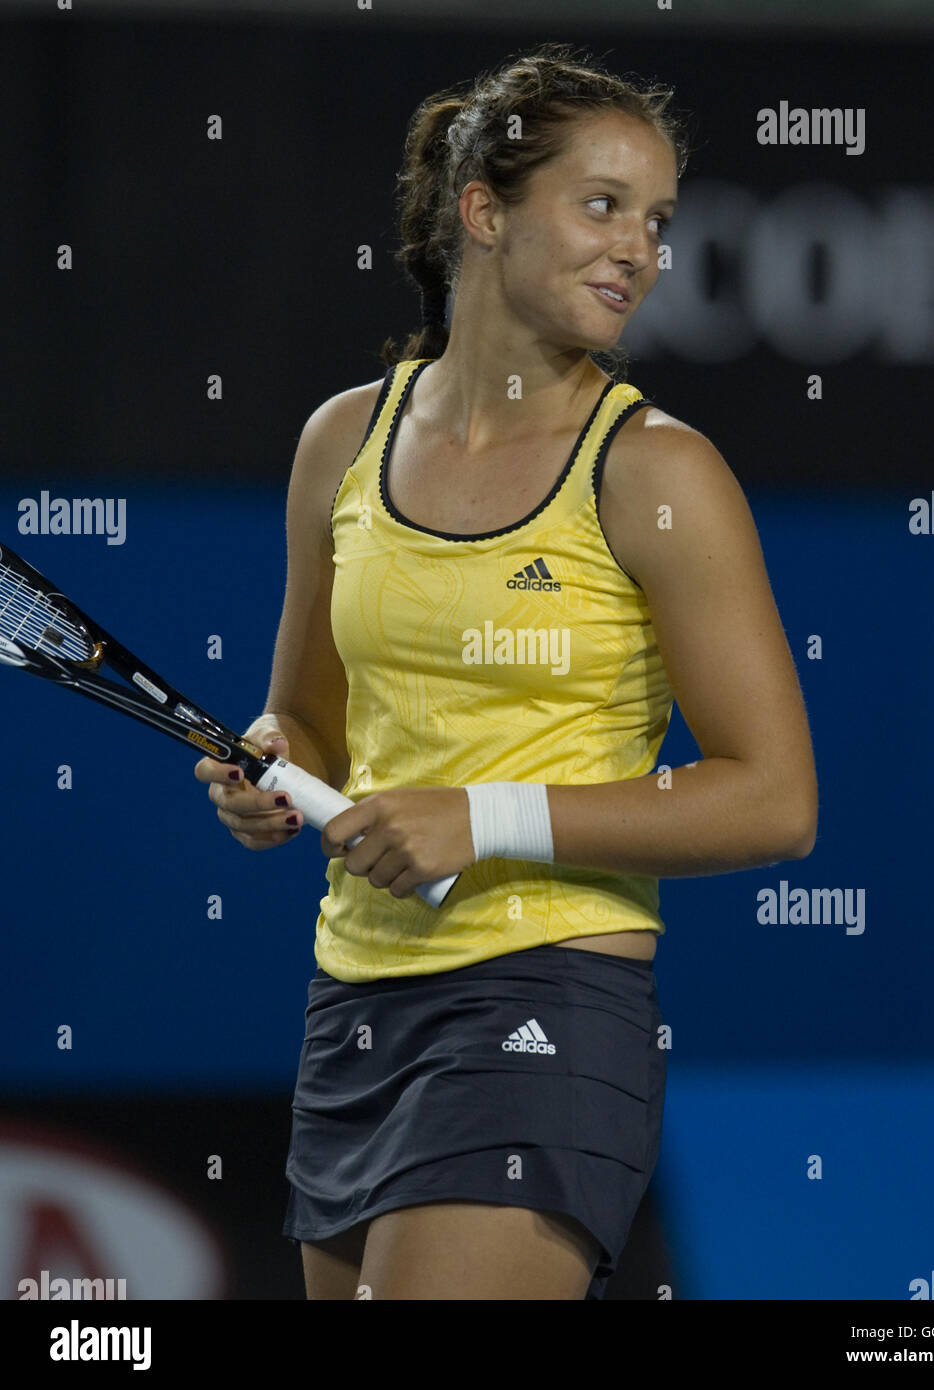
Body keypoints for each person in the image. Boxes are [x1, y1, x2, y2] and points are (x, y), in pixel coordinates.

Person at [193, 42, 818, 1300]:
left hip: (551, 1000)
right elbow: (309, 717)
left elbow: (772, 799)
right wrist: (275, 769)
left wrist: (482, 818)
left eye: (655, 222)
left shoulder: (658, 472)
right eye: (602, 206)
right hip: (353, 1002)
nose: (638, 250)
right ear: (483, 213)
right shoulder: (341, 440)